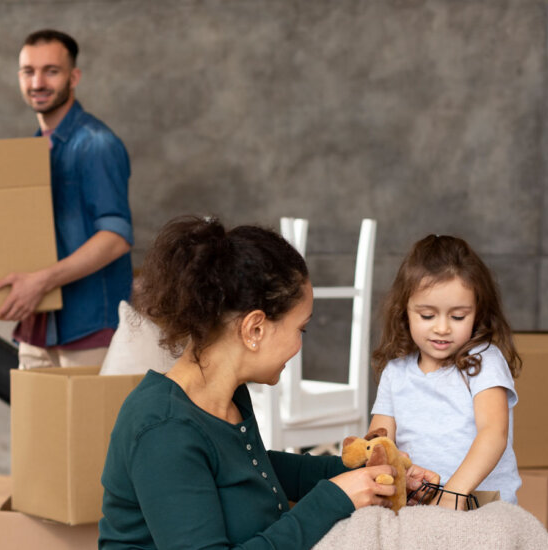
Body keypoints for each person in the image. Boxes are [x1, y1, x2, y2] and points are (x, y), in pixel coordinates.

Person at [99, 216, 439, 549]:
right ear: (254, 329)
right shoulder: (164, 429)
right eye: (300, 329)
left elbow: (256, 470)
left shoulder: (226, 398)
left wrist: (374, 473)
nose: (299, 345)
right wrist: (334, 499)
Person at [0, 29, 133, 368]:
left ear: (74, 76)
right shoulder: (33, 149)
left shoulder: (97, 144)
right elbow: (20, 237)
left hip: (87, 329)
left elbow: (115, 238)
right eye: (28, 71)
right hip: (36, 328)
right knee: (33, 424)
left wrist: (41, 281)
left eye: (51, 71)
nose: (38, 82)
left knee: (92, 424)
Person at [368, 234, 523, 507]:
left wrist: (453, 494)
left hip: (481, 503)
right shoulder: (396, 373)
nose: (442, 328)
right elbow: (381, 444)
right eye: (427, 316)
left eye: (458, 316)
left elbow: (493, 433)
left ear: (477, 312)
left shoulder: (484, 360)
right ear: (404, 311)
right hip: (417, 505)